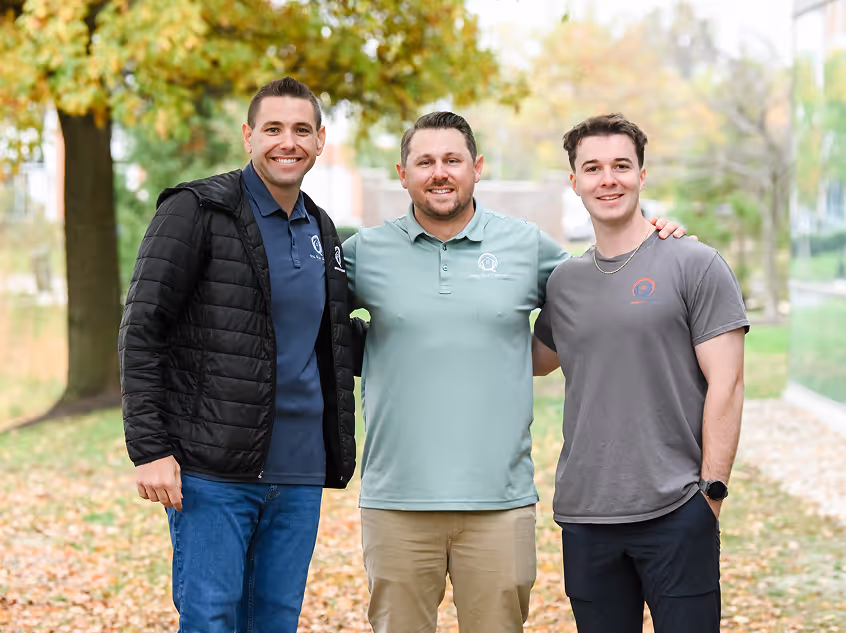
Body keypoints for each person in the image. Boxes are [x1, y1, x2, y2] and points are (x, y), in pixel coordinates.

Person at [343, 111, 690, 633]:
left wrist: (654, 237)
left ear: (476, 167)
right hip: (396, 503)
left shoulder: (524, 246)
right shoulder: (364, 253)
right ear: (402, 172)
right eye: (426, 162)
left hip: (500, 506)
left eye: (453, 160)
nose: (440, 172)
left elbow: (603, 283)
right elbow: (302, 310)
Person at [119, 77, 363, 633]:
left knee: (276, 620)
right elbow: (142, 328)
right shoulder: (196, 209)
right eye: (273, 129)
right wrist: (150, 449)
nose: (288, 142)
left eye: (302, 130)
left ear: (321, 140)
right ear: (248, 135)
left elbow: (330, 338)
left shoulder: (321, 229)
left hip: (300, 469)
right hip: (213, 469)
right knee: (211, 619)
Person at [532, 113, 748, 633]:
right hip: (585, 517)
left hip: (677, 510)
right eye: (593, 168)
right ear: (575, 182)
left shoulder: (693, 263)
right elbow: (532, 362)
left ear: (642, 175)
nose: (608, 179)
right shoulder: (564, 283)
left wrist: (711, 494)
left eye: (621, 166)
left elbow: (729, 383)